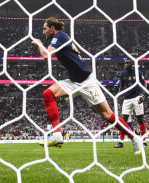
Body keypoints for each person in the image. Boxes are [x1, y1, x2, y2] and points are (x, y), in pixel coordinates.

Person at [32, 17, 142, 154]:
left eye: (45, 29)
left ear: (52, 29)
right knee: (48, 93)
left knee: (107, 115)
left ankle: (135, 138)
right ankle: (57, 134)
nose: (43, 32)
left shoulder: (59, 36)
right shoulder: (59, 38)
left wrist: (39, 43)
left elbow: (46, 55)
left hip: (87, 81)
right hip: (74, 81)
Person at [114, 59, 148, 148]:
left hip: (137, 97)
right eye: (125, 63)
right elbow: (121, 86)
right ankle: (121, 142)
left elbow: (145, 83)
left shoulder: (138, 73)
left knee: (140, 119)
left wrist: (142, 95)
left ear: (132, 64)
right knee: (123, 120)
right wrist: (118, 96)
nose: (126, 64)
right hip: (127, 99)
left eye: (128, 63)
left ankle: (144, 141)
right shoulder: (123, 74)